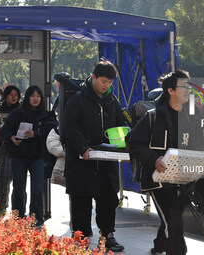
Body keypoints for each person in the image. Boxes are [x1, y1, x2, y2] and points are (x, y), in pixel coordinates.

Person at [128, 70, 204, 255]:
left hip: (183, 180)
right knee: (174, 223)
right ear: (171, 90)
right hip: (159, 180)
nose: (189, 90)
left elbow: (199, 146)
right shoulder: (152, 117)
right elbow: (133, 143)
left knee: (172, 219)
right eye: (184, 87)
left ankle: (158, 246)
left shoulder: (193, 117)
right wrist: (154, 159)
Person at [63, 60, 125, 252]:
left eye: (110, 82)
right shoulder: (78, 99)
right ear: (94, 77)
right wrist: (82, 148)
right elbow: (69, 127)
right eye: (103, 81)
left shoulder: (113, 101)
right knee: (81, 202)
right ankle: (81, 239)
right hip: (82, 160)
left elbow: (121, 125)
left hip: (106, 162)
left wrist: (122, 143)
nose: (106, 85)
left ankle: (108, 236)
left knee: (108, 201)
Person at [0, 86, 51, 227]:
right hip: (19, 155)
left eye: (38, 96)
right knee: (18, 188)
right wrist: (11, 137)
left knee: (37, 189)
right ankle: (18, 218)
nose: (35, 99)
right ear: (27, 97)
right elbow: (5, 130)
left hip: (37, 156)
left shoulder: (46, 115)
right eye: (32, 96)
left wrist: (36, 134)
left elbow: (51, 132)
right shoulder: (17, 113)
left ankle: (36, 219)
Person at [0, 85, 21, 215]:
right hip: (4, 151)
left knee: (19, 184)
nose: (13, 97)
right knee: (3, 181)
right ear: (6, 96)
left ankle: (18, 211)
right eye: (11, 94)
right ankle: (2, 208)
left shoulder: (22, 111)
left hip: (21, 152)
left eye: (16, 95)